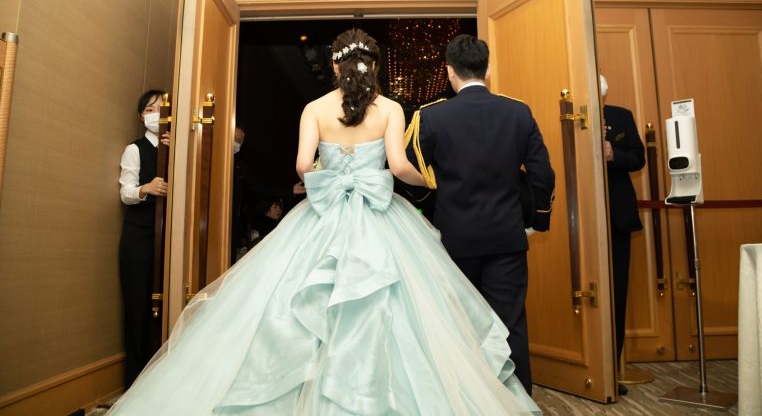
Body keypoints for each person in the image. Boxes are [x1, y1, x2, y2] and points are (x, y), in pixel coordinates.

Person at [108, 29, 541, 415]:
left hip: (325, 213)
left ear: (334, 66)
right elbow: (398, 165)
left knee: (297, 302)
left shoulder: (314, 108)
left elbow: (302, 166)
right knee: (399, 308)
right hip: (380, 215)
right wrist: (429, 181)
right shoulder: (390, 108)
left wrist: (329, 171)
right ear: (374, 66)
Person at [404, 34, 555, 395]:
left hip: (454, 240)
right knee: (510, 325)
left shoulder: (430, 116)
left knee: (460, 326)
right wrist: (537, 221)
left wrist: (427, 210)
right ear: (487, 69)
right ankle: (518, 402)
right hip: (507, 236)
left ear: (449, 71)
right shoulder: (518, 112)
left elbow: (409, 172)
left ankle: (467, 400)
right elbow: (543, 174)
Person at [117, 89, 168, 388]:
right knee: (137, 307)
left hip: (165, 238)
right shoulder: (134, 149)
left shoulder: (173, 148)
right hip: (138, 238)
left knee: (161, 307)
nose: (155, 114)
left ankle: (157, 377)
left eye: (161, 109)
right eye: (150, 109)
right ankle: (134, 382)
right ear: (141, 116)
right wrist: (146, 188)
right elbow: (125, 193)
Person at [600, 74, 645, 394]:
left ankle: (611, 373)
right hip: (579, 220)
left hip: (616, 217)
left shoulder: (620, 116)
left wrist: (613, 153)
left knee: (616, 293)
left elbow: (638, 158)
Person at [231, 125, 305, 262]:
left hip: (231, 227)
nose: (237, 144)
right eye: (235, 139)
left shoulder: (240, 167)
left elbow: (261, 188)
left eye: (240, 141)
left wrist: (290, 191)